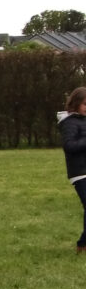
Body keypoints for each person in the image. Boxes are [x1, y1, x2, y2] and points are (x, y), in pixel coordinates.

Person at [59, 87, 86, 253]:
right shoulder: (69, 122)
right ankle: (82, 244)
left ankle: (83, 244)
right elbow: (69, 146)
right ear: (76, 103)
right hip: (80, 172)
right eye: (85, 104)